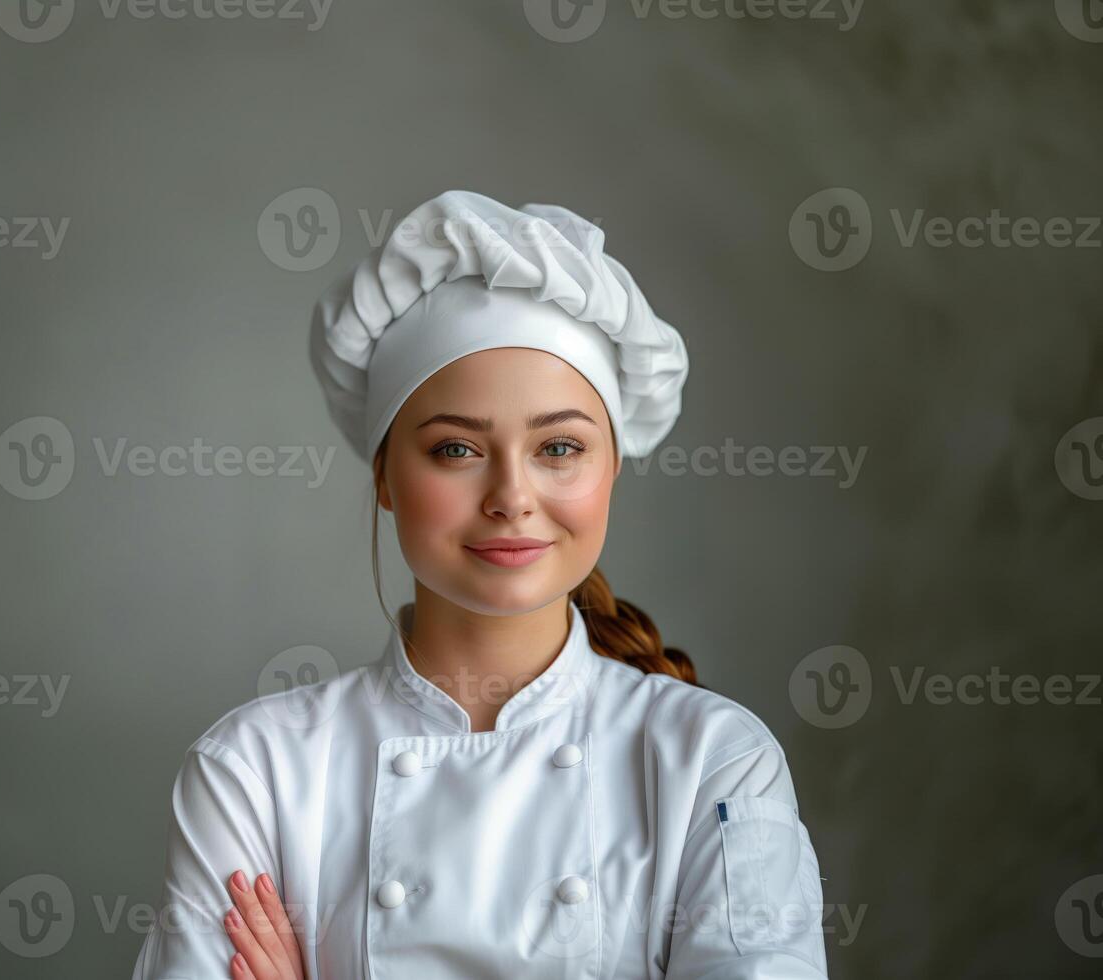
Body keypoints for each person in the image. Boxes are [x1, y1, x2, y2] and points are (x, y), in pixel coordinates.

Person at [129, 190, 829, 979]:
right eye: (456, 450)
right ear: (386, 476)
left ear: (612, 470)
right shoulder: (252, 771)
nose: (512, 496)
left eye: (559, 447)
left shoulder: (715, 762)